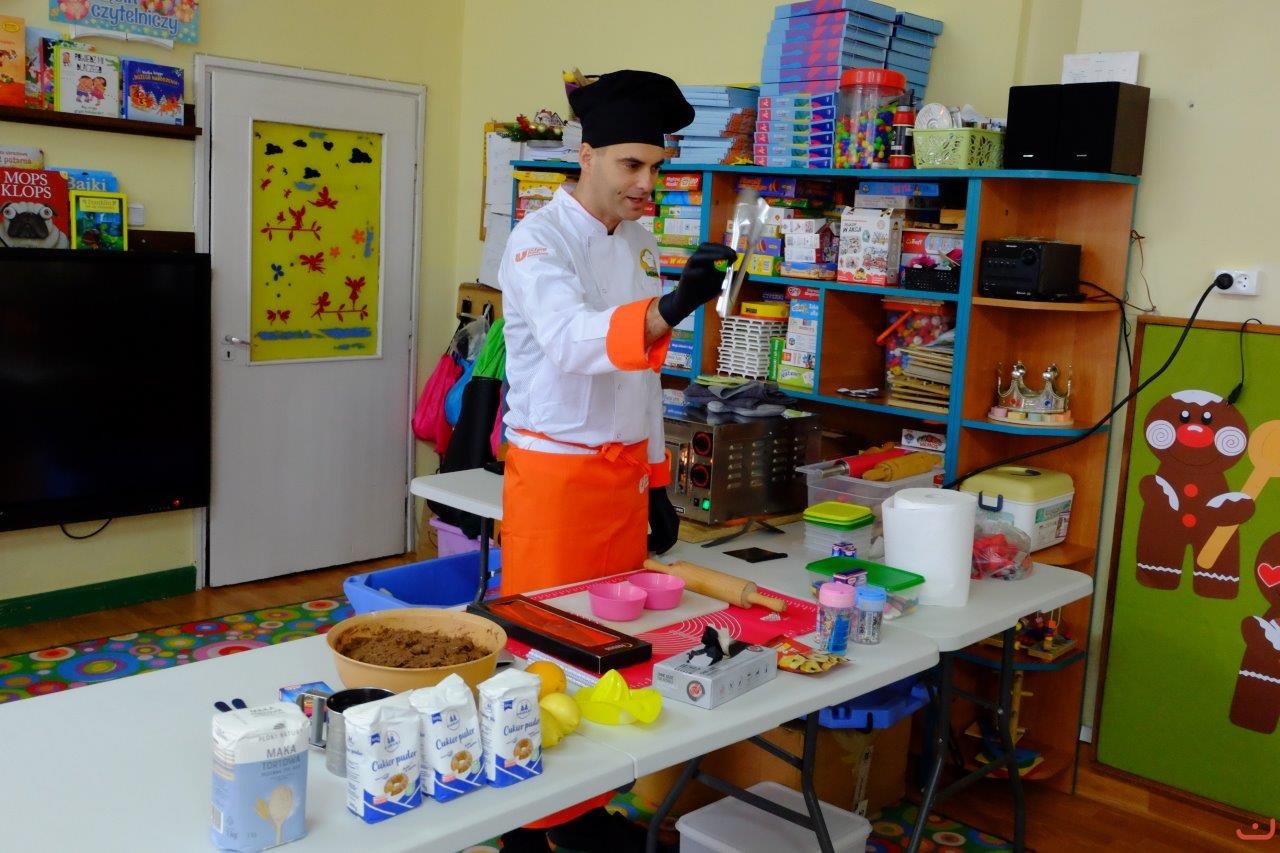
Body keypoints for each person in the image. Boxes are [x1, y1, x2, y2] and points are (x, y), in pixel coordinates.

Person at [495, 69, 737, 852]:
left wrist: (658, 481)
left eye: (657, 167)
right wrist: (672, 306)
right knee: (544, 651)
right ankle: (528, 825)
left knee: (614, 650)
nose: (646, 184)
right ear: (587, 155)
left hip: (623, 477)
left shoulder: (637, 241)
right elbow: (574, 343)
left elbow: (642, 376)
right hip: (557, 481)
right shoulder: (536, 241)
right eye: (632, 165)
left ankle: (587, 809)